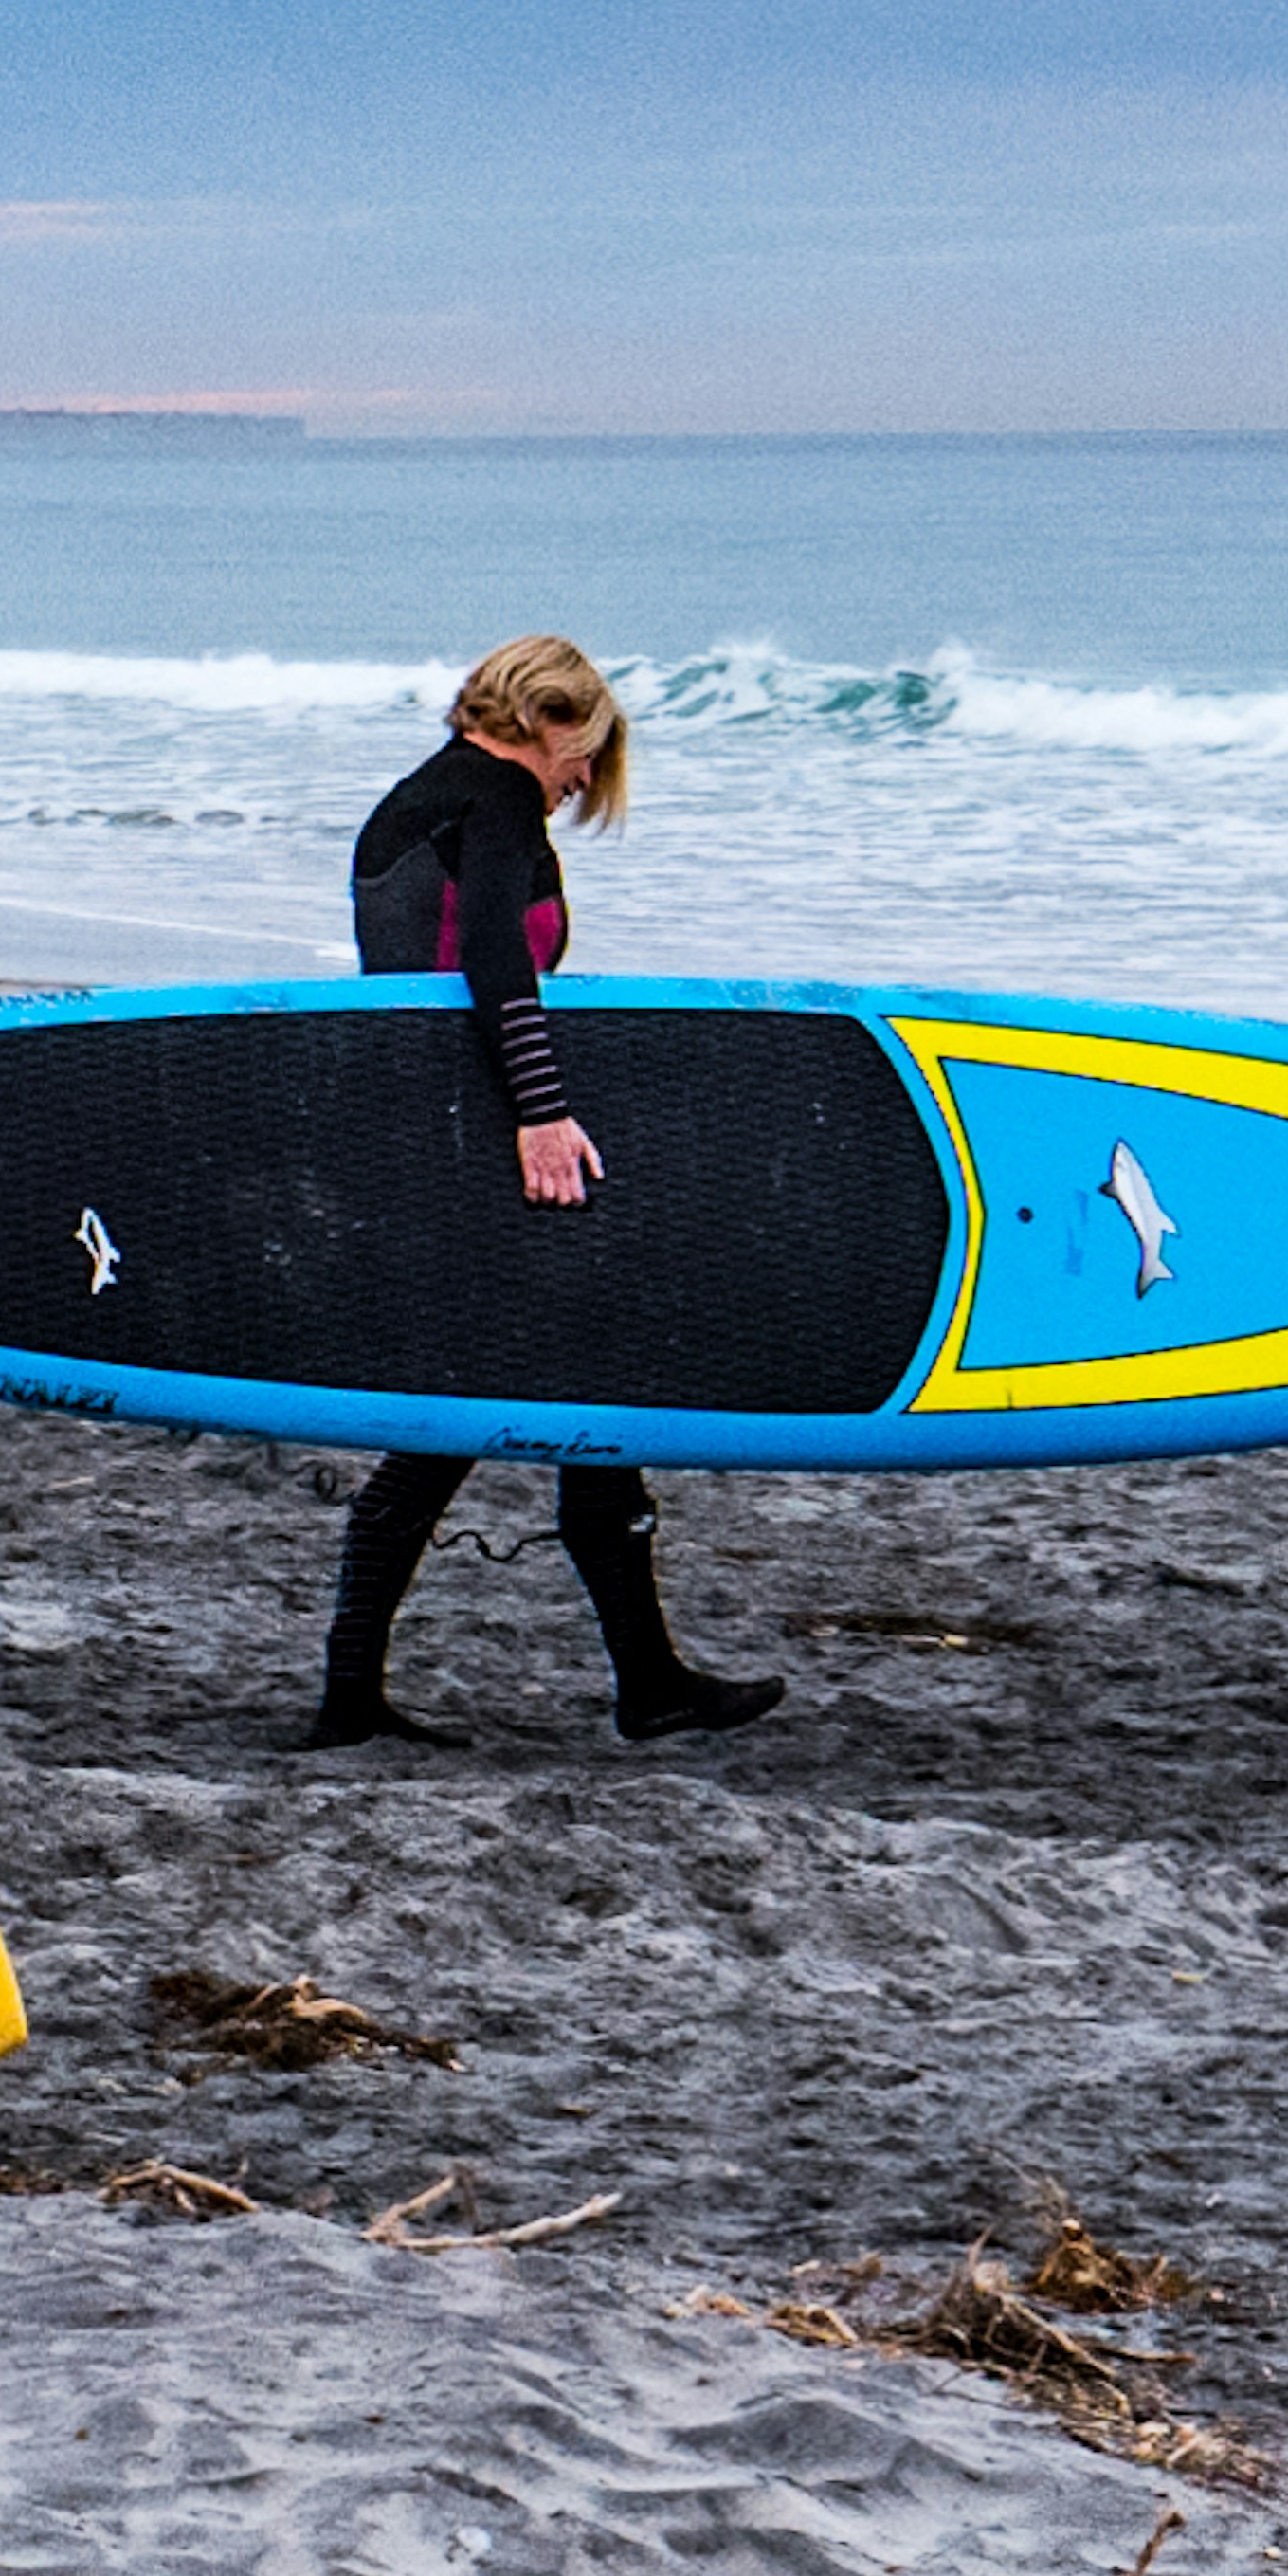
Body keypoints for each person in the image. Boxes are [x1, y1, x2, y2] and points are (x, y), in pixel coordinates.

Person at [300, 633, 786, 1753]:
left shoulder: (428, 794)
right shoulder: (496, 797)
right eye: (587, 757)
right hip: (468, 1138)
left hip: (427, 1128)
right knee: (513, 1396)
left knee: (525, 1398)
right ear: (551, 721)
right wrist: (539, 1111)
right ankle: (630, 1684)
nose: (580, 786)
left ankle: (373, 1691)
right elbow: (487, 961)